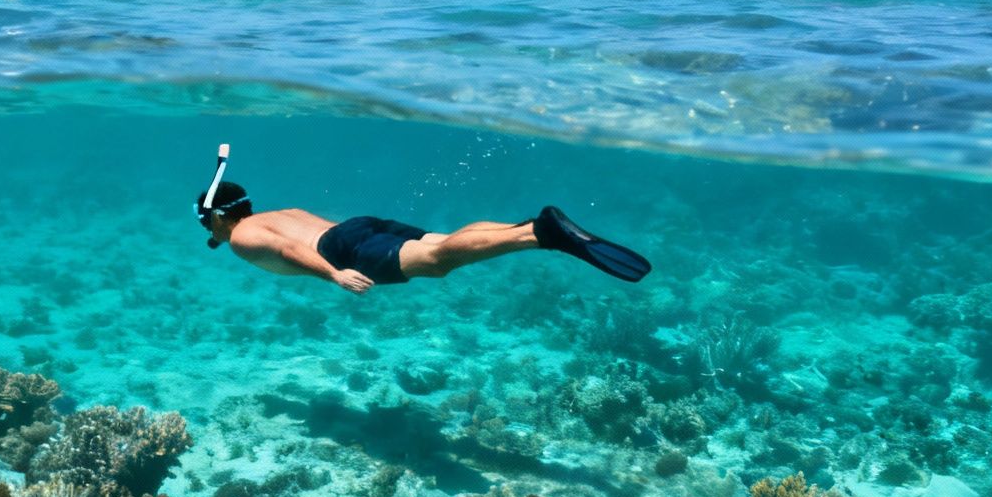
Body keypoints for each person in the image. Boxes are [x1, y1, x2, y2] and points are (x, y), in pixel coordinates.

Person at [195, 181, 650, 294]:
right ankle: (527, 226)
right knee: (442, 241)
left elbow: (291, 250)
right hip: (354, 226)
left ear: (218, 217)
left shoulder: (242, 237)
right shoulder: (281, 211)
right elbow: (303, 230)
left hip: (339, 250)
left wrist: (336, 275)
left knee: (437, 262)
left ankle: (538, 234)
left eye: (204, 222)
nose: (207, 231)